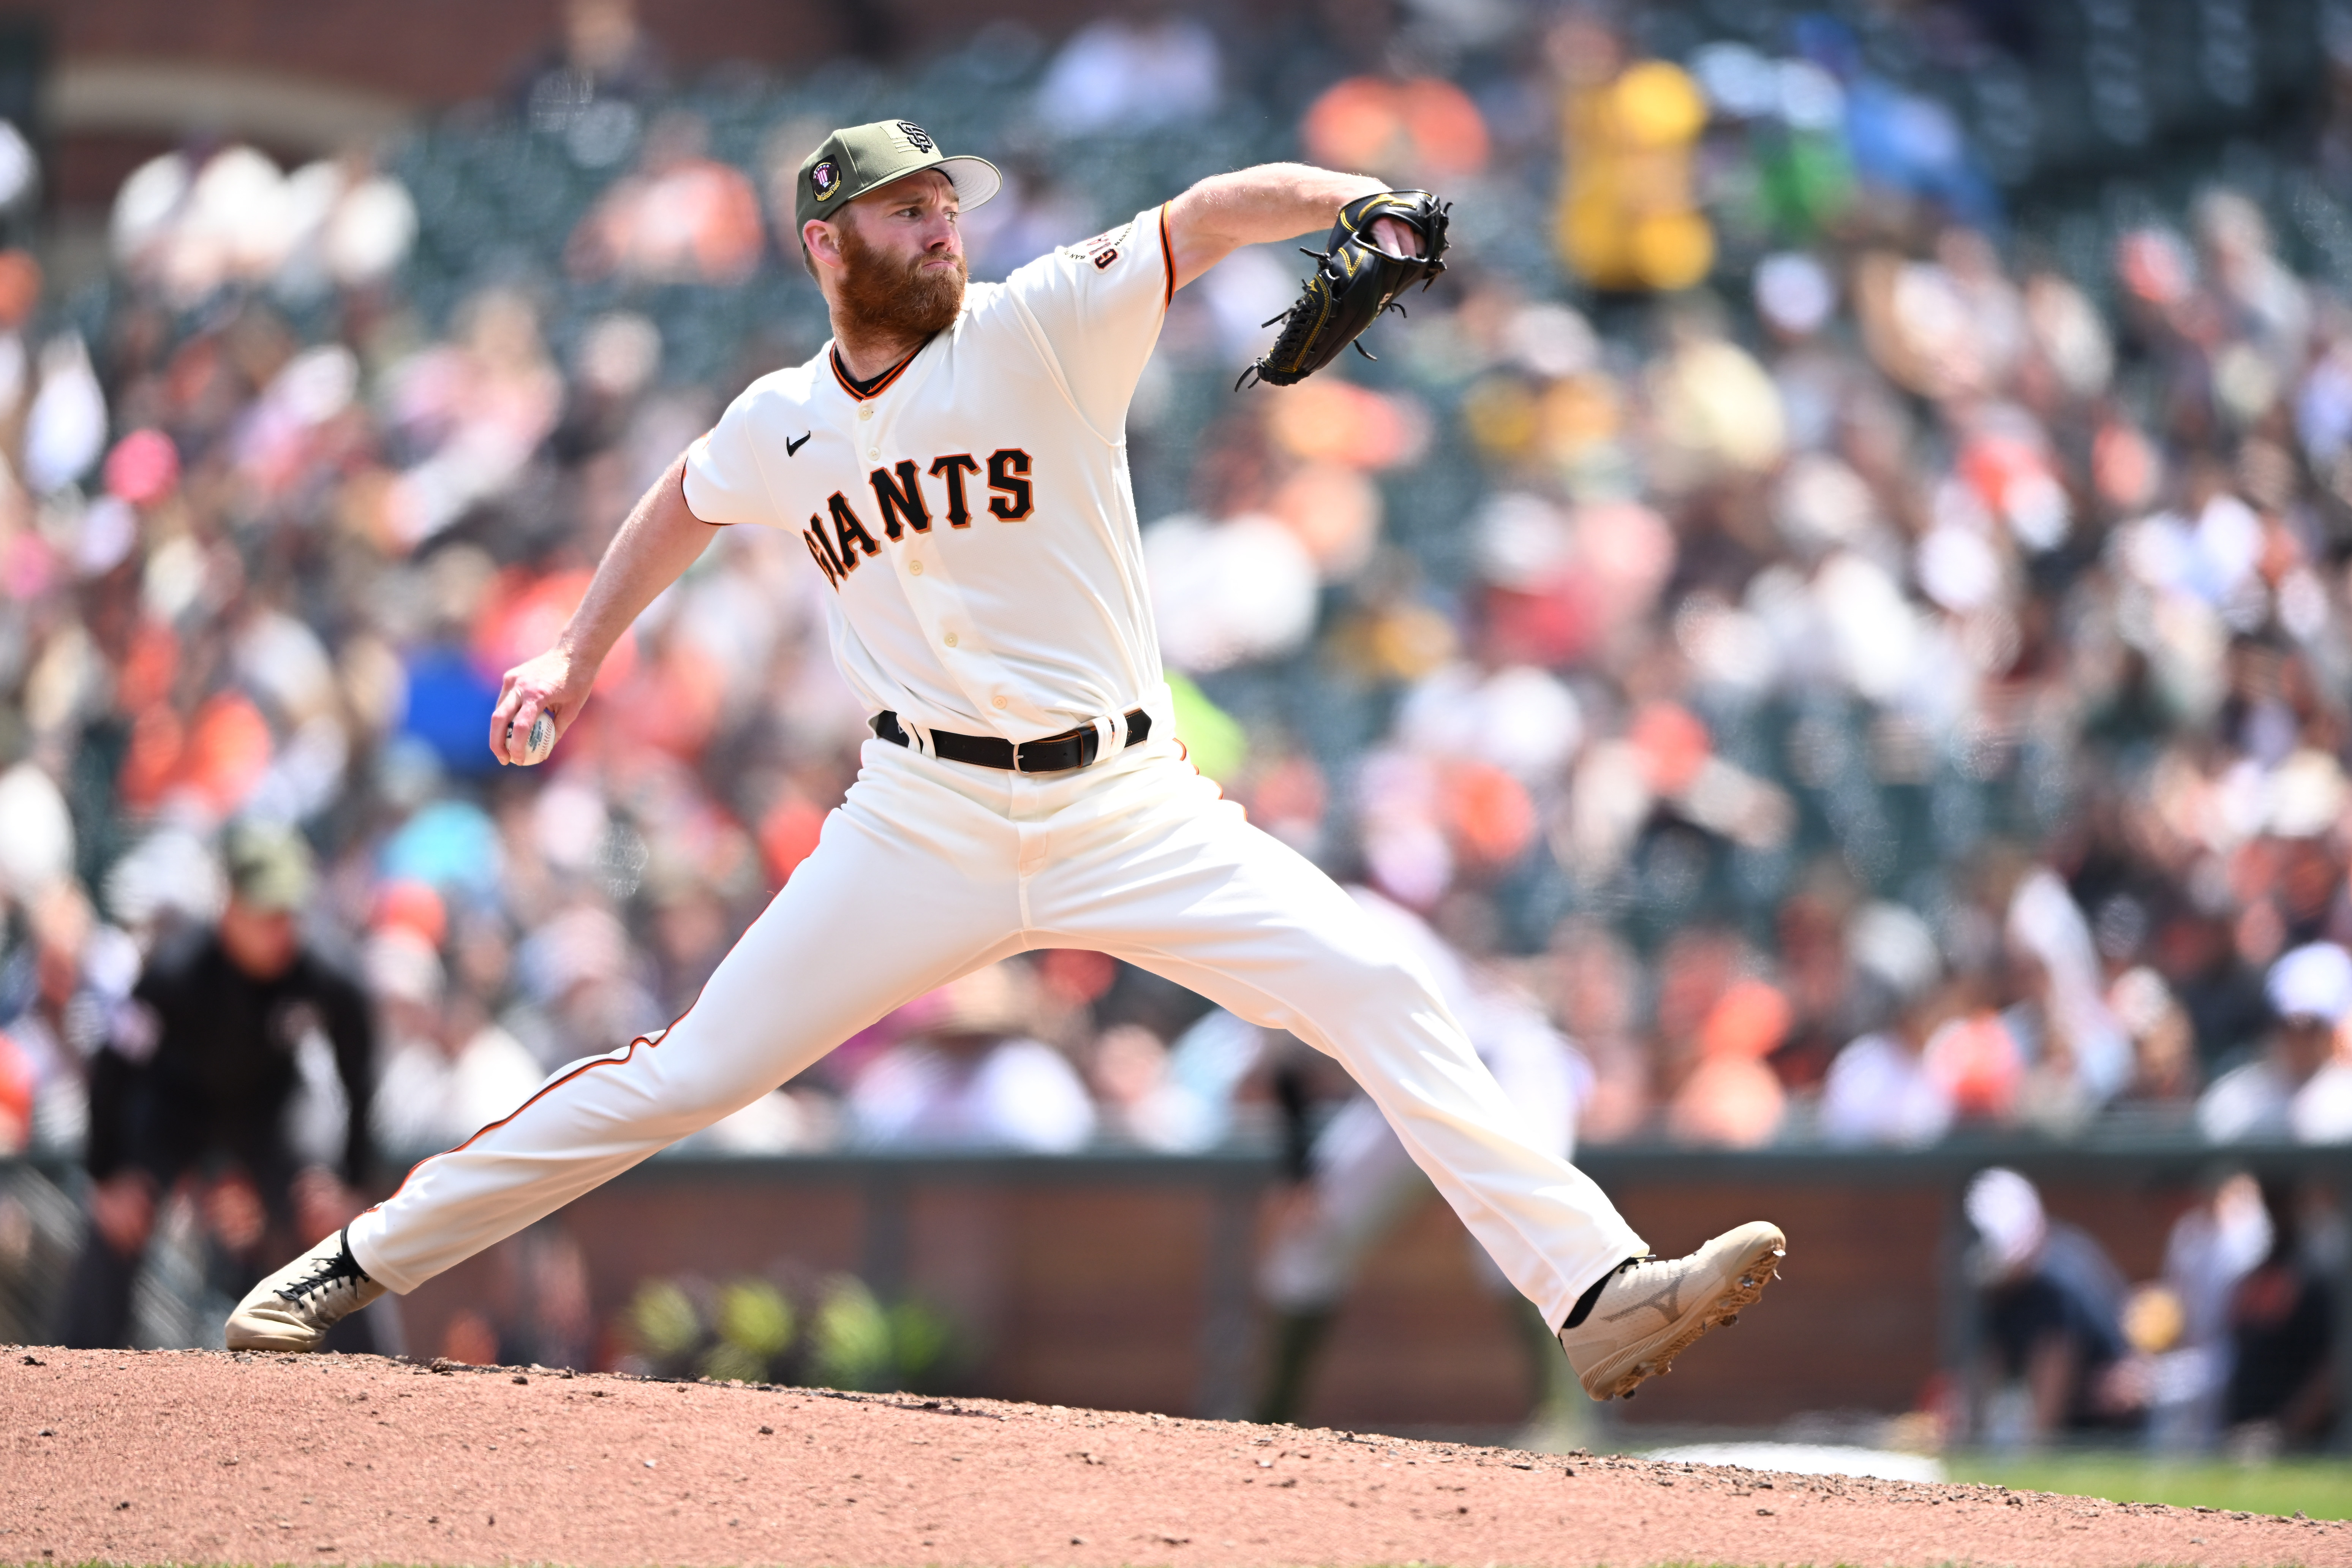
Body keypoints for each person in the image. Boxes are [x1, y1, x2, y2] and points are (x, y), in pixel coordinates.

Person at [228, 119, 1785, 1403]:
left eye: (945, 203)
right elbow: (687, 500)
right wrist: (577, 652)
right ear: (826, 245)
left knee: (1377, 985)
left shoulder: (1045, 319)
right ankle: (358, 1265)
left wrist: (1353, 201)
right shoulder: (785, 423)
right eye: (902, 214)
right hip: (923, 816)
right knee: (686, 1074)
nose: (939, 229)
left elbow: (1205, 212)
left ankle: (1596, 1289)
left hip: (1131, 805)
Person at [61, 822, 375, 1350]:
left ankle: (381, 1373)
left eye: (291, 912)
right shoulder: (175, 972)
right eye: (267, 913)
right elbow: (114, 1067)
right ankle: (74, 1369)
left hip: (272, 1111)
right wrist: (106, 1176)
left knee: (328, 1219)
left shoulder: (327, 972)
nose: (284, 929)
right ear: (229, 906)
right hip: (175, 1111)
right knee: (119, 1220)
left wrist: (351, 1182)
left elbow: (360, 1075)